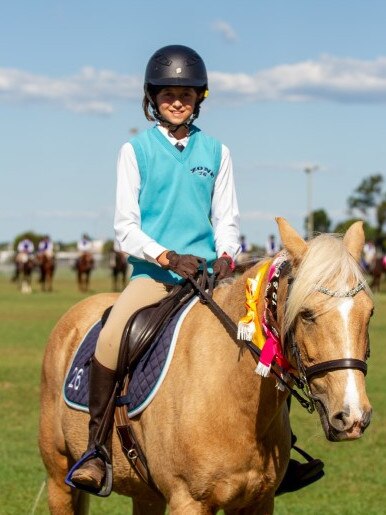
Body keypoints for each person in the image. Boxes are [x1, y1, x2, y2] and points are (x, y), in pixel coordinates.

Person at [71, 44, 322, 496]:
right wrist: (166, 257)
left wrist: (226, 256)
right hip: (154, 278)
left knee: (263, 344)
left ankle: (280, 452)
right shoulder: (135, 150)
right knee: (112, 337)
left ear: (199, 98)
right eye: (168, 92)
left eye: (186, 93)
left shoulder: (216, 151)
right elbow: (124, 227)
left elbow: (227, 220)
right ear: (153, 97)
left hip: (208, 278)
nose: (177, 100)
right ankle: (95, 450)